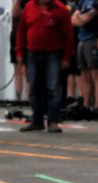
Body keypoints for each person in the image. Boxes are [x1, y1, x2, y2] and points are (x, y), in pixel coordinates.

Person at [16, 0, 73, 132]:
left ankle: (53, 121)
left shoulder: (61, 9)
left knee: (52, 87)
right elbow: (21, 31)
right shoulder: (29, 7)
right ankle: (37, 120)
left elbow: (69, 35)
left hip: (54, 53)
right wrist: (19, 52)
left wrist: (67, 58)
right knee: (34, 87)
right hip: (33, 53)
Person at [72, 0, 98, 116]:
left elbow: (87, 18)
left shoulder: (96, 2)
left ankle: (97, 107)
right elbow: (73, 21)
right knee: (84, 73)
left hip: (94, 38)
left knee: (96, 73)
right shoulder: (82, 2)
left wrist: (79, 17)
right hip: (82, 38)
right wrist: (80, 18)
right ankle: (86, 105)